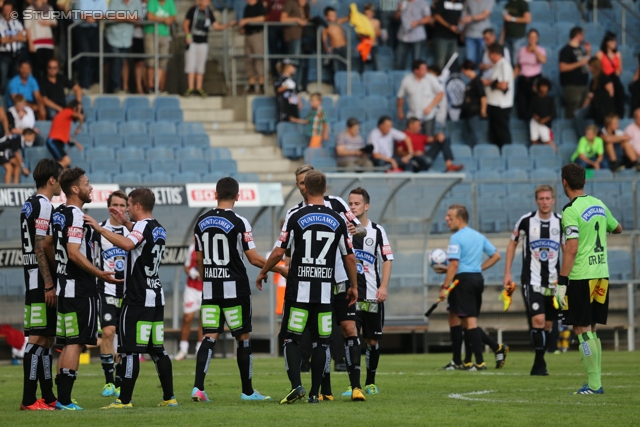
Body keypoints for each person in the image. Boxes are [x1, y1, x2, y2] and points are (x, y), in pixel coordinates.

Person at [257, 169, 362, 404]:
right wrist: (353, 285)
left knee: (291, 339)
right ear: (324, 190)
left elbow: (278, 251)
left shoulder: (294, 216)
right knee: (322, 342)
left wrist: (264, 271)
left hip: (298, 291)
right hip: (325, 291)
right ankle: (316, 393)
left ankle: (297, 386)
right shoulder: (337, 219)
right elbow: (349, 257)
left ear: (305, 188)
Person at [84, 187, 177, 409]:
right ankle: (169, 397)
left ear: (136, 205)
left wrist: (99, 228)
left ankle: (124, 400)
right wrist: (126, 224)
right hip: (156, 296)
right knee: (157, 349)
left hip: (137, 297)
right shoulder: (158, 228)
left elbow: (128, 244)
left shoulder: (142, 227)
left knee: (129, 350)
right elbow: (140, 237)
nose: (126, 209)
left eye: (129, 206)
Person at [191, 177, 277, 402]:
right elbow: (254, 259)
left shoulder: (201, 221)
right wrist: (282, 270)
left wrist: (207, 278)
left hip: (210, 288)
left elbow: (199, 259)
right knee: (243, 337)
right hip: (235, 290)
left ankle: (198, 388)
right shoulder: (240, 222)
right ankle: (248, 392)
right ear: (237, 196)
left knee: (209, 336)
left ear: (215, 194)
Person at [52, 167, 122, 410]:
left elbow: (49, 245)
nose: (91, 187)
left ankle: (61, 397)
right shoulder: (75, 215)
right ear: (75, 189)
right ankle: (64, 400)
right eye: (87, 183)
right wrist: (98, 272)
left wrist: (58, 271)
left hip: (64, 287)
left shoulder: (58, 213)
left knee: (67, 341)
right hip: (80, 289)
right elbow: (73, 252)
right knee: (75, 342)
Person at [554, 163, 622, 394]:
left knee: (581, 328)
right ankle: (595, 382)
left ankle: (594, 384)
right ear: (584, 181)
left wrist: (562, 282)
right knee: (590, 328)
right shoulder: (599, 204)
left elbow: (571, 249)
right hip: (601, 274)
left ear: (564, 182)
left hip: (582, 275)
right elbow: (618, 228)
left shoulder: (570, 210)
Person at [439, 204, 507, 371]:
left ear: (459, 219)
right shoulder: (478, 236)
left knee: (469, 322)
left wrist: (444, 287)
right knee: (457, 318)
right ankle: (462, 361)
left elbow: (455, 264)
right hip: (475, 279)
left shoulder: (456, 238)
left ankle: (480, 362)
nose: (446, 220)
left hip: (462, 282)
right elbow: (496, 255)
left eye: (450, 217)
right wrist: (478, 269)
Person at [503, 185, 562, 376]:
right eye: (541, 199)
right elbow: (512, 245)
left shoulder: (561, 222)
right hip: (532, 281)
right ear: (536, 200)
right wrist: (507, 273)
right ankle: (539, 363)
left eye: (548, 198)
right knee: (538, 319)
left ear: (553, 200)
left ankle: (540, 357)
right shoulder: (526, 221)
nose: (544, 202)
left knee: (548, 325)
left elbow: (569, 249)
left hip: (554, 283)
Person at [19, 159, 63, 411]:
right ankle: (28, 399)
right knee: (38, 338)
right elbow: (39, 244)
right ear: (52, 180)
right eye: (60, 179)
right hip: (40, 281)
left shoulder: (28, 204)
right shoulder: (44, 206)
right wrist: (49, 282)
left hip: (32, 277)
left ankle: (47, 396)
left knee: (46, 338)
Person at [342, 187, 392, 396]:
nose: (353, 207)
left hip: (372, 295)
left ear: (366, 206)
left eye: (357, 204)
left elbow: (387, 259)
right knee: (351, 335)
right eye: (350, 204)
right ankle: (354, 384)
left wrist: (384, 287)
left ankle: (370, 382)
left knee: (372, 341)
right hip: (350, 295)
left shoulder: (377, 231)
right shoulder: (342, 229)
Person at [93, 190, 129, 398]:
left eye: (123, 205)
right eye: (115, 205)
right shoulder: (98, 230)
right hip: (105, 289)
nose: (118, 209)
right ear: (109, 207)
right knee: (108, 332)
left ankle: (120, 380)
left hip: (128, 292)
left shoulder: (132, 231)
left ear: (127, 208)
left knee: (124, 339)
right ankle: (108, 382)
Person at [183, 0, 234, 97]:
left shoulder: (208, 12)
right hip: (193, 41)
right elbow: (185, 24)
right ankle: (190, 87)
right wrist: (188, 35)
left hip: (203, 42)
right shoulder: (193, 10)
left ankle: (199, 87)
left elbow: (216, 26)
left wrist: (228, 25)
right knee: (191, 65)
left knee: (200, 65)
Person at [397, 59, 444, 137]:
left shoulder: (431, 78)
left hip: (429, 115)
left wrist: (430, 106)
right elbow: (400, 96)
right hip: (413, 116)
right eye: (423, 69)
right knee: (413, 138)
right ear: (416, 71)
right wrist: (400, 111)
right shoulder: (407, 80)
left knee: (428, 138)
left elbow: (440, 93)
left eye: (426, 68)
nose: (426, 71)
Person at [105, 0, 143, 94]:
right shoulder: (115, 1)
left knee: (122, 62)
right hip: (113, 36)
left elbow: (138, 18)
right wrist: (128, 17)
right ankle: (115, 87)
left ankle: (120, 88)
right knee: (116, 60)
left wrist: (121, 17)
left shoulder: (136, 2)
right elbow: (111, 17)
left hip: (127, 38)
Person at [174, 243, 203, 361]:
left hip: (205, 288)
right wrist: (191, 272)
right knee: (188, 317)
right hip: (191, 288)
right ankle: (183, 349)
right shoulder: (192, 248)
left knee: (203, 319)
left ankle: (200, 349)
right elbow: (186, 267)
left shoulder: (211, 246)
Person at [482, 43, 514, 149]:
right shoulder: (497, 66)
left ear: (495, 53)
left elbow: (504, 85)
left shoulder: (504, 65)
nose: (489, 57)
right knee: (494, 133)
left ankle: (506, 152)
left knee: (502, 132)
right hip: (494, 103)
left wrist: (489, 83)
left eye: (490, 54)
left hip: (501, 105)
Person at [74, 0, 108, 90]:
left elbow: (104, 16)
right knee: (86, 55)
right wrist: (96, 17)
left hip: (94, 28)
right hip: (80, 28)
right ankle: (84, 84)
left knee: (94, 56)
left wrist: (94, 18)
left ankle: (91, 82)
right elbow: (83, 16)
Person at [559, 27, 591, 119]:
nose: (583, 37)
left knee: (584, 110)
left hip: (583, 85)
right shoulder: (566, 50)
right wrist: (579, 63)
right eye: (582, 35)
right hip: (572, 86)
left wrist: (588, 52)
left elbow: (585, 63)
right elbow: (562, 67)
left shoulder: (580, 49)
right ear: (578, 35)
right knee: (574, 109)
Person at [145, 0, 176, 93]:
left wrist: (159, 18)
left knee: (162, 60)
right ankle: (150, 86)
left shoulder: (170, 2)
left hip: (164, 33)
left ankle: (157, 86)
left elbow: (173, 16)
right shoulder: (152, 1)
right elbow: (150, 16)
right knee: (151, 60)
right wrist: (164, 20)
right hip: (151, 33)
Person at [514, 29, 546, 121]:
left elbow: (543, 60)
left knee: (534, 106)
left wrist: (535, 49)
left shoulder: (541, 50)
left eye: (534, 37)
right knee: (522, 106)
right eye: (530, 37)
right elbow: (518, 65)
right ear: (527, 38)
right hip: (523, 79)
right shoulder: (522, 50)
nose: (532, 39)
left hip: (535, 79)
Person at [23, 0, 57, 82]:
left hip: (48, 42)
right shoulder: (29, 10)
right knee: (37, 68)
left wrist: (48, 23)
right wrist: (30, 43)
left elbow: (55, 22)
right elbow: (27, 28)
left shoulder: (49, 8)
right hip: (36, 42)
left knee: (48, 67)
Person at [280, 0, 309, 91]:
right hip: (293, 37)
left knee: (303, 63)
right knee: (294, 62)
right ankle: (293, 85)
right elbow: (283, 19)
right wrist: (297, 19)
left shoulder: (306, 6)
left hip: (304, 38)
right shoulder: (290, 3)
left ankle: (300, 85)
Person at [46, 100, 84, 169]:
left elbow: (66, 135)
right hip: (53, 141)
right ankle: (48, 172)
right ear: (75, 108)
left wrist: (76, 143)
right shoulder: (67, 111)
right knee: (66, 161)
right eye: (79, 109)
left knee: (65, 167)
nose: (79, 111)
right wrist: (80, 127)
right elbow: (80, 117)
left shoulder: (65, 119)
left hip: (57, 142)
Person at [394, 0, 431, 70]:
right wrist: (399, 10)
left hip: (417, 35)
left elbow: (428, 18)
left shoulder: (423, 2)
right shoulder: (402, 2)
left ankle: (416, 80)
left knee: (417, 62)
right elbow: (396, 18)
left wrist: (417, 22)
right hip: (403, 35)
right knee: (399, 61)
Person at [0, 2, 28, 94]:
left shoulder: (16, 23)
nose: (7, 12)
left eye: (9, 10)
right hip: (4, 55)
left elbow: (24, 38)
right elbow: (2, 41)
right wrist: (16, 36)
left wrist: (9, 38)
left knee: (15, 81)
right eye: (5, 10)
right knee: (2, 80)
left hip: (16, 55)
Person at [596, 31, 625, 119]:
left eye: (615, 41)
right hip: (605, 80)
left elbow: (620, 69)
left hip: (615, 79)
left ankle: (619, 115)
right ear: (606, 42)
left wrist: (618, 71)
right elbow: (597, 69)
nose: (614, 43)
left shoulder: (618, 54)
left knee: (619, 95)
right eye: (612, 41)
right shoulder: (600, 54)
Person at [240, 0, 266, 94]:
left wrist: (248, 20)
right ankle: (251, 86)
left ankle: (261, 86)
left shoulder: (259, 5)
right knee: (248, 60)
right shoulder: (247, 7)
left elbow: (263, 18)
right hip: (248, 35)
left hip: (257, 34)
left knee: (259, 59)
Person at [460, 59, 487, 147]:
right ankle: (471, 150)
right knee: (465, 133)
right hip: (468, 112)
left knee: (476, 133)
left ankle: (479, 150)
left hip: (474, 111)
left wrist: (483, 110)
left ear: (466, 70)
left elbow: (483, 96)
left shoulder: (477, 81)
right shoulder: (471, 82)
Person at [460, 0, 494, 66]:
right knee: (470, 61)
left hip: (484, 35)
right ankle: (470, 75)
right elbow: (464, 17)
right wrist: (462, 32)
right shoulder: (468, 1)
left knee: (482, 60)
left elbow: (485, 14)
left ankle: (478, 76)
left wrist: (471, 17)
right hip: (469, 34)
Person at [432, 0, 462, 69]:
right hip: (441, 36)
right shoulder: (442, 2)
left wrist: (460, 27)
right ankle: (438, 79)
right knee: (440, 61)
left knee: (453, 60)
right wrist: (449, 26)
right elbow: (436, 16)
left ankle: (451, 78)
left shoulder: (459, 3)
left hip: (453, 37)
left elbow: (460, 17)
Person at [530, 77, 556, 151]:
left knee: (547, 140)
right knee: (534, 140)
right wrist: (536, 117)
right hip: (535, 122)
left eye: (545, 86)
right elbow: (530, 111)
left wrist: (545, 119)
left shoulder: (550, 99)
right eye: (542, 86)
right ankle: (536, 154)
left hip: (546, 123)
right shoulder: (534, 99)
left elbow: (553, 113)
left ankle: (555, 153)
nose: (543, 88)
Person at [322, 6, 348, 80]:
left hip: (344, 47)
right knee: (336, 67)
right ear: (326, 17)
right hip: (334, 49)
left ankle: (347, 83)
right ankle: (337, 83)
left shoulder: (338, 22)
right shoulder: (325, 27)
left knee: (347, 65)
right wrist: (326, 47)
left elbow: (347, 18)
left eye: (335, 15)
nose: (334, 17)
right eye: (331, 16)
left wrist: (352, 10)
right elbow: (324, 40)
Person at [130, 0, 148, 94]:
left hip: (149, 36)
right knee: (139, 62)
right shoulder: (135, 3)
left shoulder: (152, 4)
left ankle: (147, 85)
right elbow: (132, 20)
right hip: (137, 36)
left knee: (148, 63)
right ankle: (139, 87)